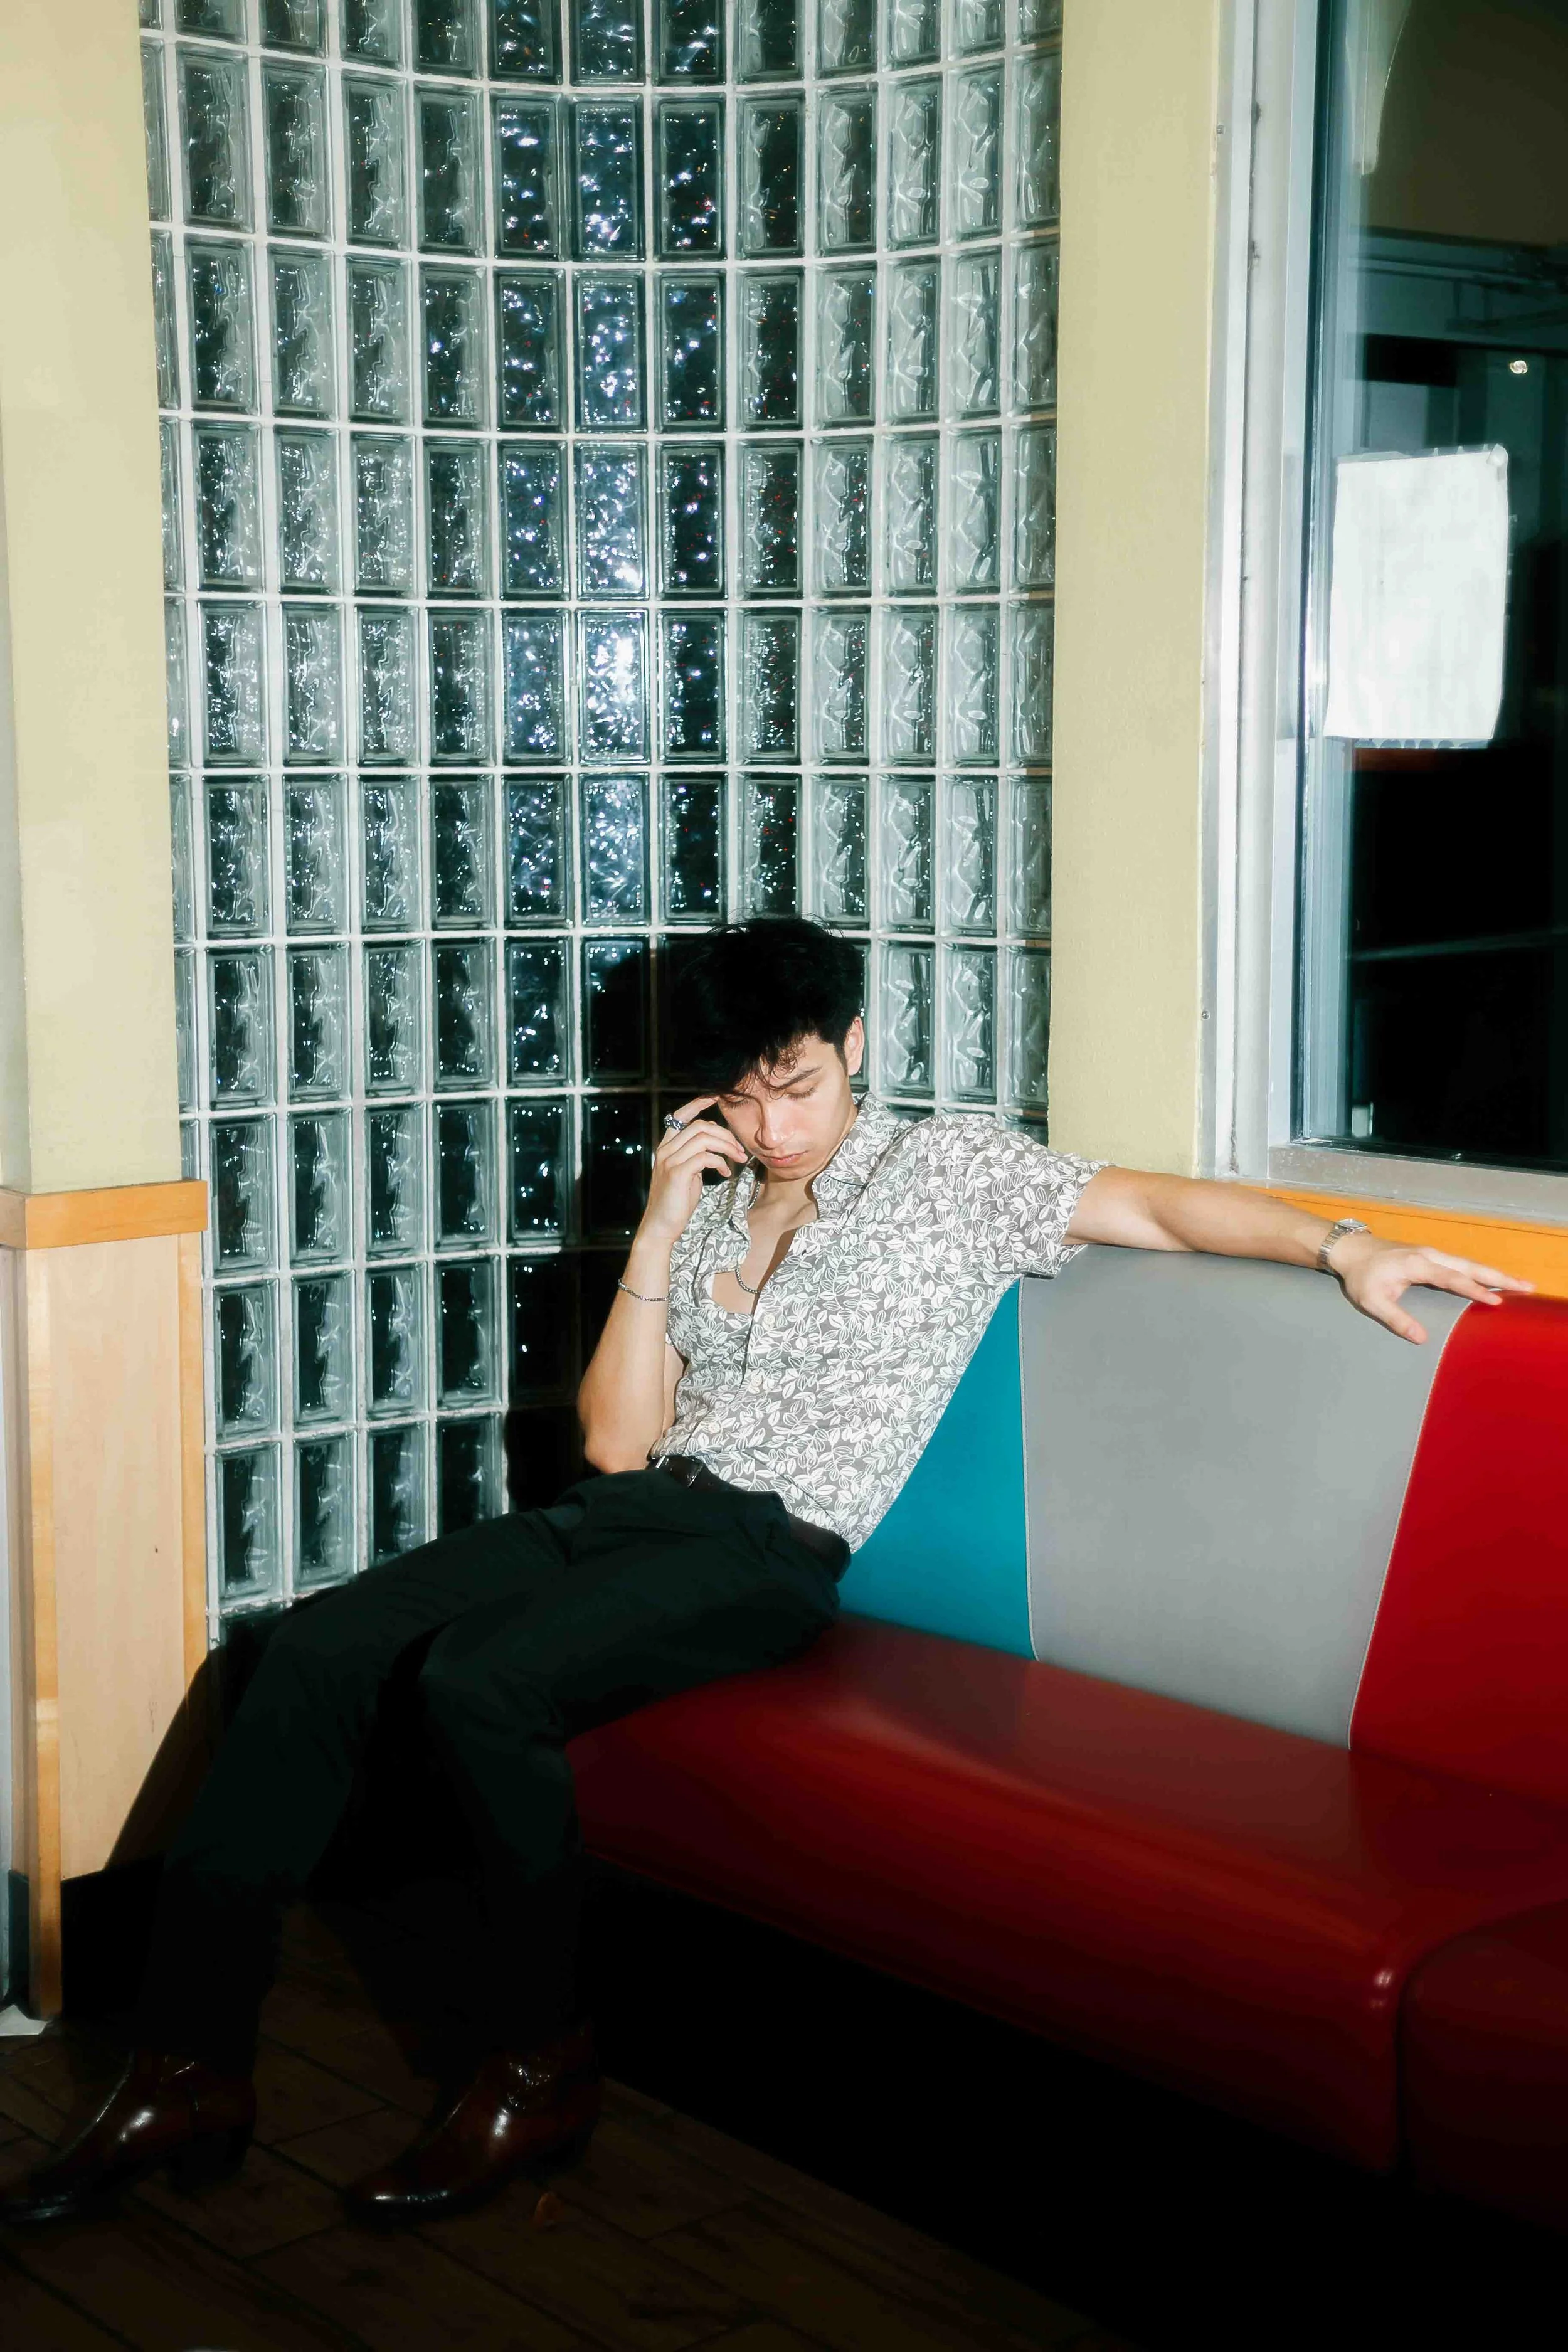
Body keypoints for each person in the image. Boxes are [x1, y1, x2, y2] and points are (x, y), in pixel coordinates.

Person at [0, 917, 1527, 2230]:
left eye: (795, 1081)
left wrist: (1345, 1244)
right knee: (314, 1645)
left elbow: (1155, 1206)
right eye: (742, 1093)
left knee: (482, 1681)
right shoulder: (717, 1198)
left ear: (852, 1042)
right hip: (636, 1514)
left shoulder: (949, 1175)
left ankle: (537, 2068)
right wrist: (665, 1217)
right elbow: (611, 1446)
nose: (775, 1120)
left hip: (772, 1546)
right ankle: (185, 2073)